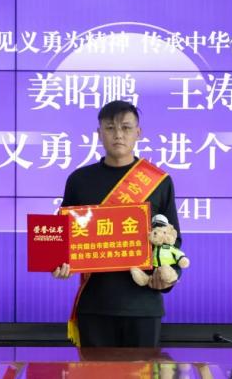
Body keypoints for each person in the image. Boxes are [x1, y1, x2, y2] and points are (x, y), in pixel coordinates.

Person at [52, 100, 182, 347]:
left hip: (144, 304)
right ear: (99, 133)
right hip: (95, 305)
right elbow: (63, 237)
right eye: (110, 128)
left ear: (138, 132)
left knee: (143, 369)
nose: (118, 134)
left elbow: (174, 240)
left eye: (126, 127)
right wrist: (58, 262)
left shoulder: (159, 181)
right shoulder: (79, 180)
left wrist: (168, 277)